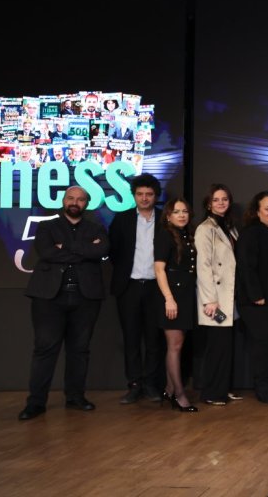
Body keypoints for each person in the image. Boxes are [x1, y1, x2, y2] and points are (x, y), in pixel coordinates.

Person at [19, 186, 110, 420]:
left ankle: (75, 397)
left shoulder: (97, 228)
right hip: (49, 297)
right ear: (63, 200)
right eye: (71, 198)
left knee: (79, 350)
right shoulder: (47, 226)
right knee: (45, 350)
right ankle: (36, 403)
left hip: (85, 297)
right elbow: (47, 253)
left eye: (80, 199)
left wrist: (66, 246)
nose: (75, 202)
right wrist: (85, 250)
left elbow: (101, 250)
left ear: (86, 204)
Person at [108, 173, 164, 404]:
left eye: (149, 194)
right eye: (140, 194)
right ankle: (133, 385)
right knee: (131, 339)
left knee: (154, 339)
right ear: (134, 195)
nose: (144, 198)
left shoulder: (165, 219)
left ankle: (150, 384)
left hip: (156, 287)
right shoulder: (122, 219)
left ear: (156, 196)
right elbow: (114, 252)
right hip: (129, 286)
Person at [235, 191, 268, 403]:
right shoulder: (250, 233)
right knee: (264, 344)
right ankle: (262, 388)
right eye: (267, 208)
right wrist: (256, 295)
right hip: (256, 301)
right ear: (257, 211)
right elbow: (246, 268)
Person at [195, 184, 240, 406]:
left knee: (226, 346)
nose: (221, 203)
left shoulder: (230, 227)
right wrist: (209, 299)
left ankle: (223, 388)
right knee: (216, 347)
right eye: (216, 199)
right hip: (215, 298)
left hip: (229, 296)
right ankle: (212, 392)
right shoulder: (205, 229)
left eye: (224, 199)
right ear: (208, 203)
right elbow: (203, 266)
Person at [154, 198, 199, 412]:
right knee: (175, 345)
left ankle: (169, 389)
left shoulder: (186, 235)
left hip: (186, 294)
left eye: (185, 211)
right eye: (176, 211)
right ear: (168, 216)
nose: (181, 215)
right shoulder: (165, 235)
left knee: (178, 344)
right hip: (172, 295)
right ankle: (179, 395)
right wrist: (168, 299)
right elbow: (159, 269)